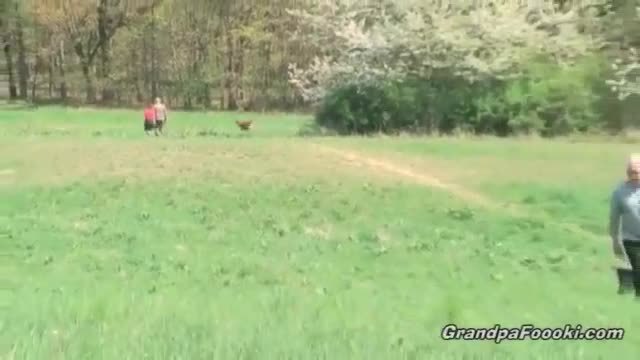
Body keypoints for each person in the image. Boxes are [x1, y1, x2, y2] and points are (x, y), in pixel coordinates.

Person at [609, 154, 640, 297]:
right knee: (638, 269)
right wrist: (615, 240)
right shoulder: (620, 191)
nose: (634, 174)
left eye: (637, 171)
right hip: (632, 238)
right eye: (631, 171)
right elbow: (614, 217)